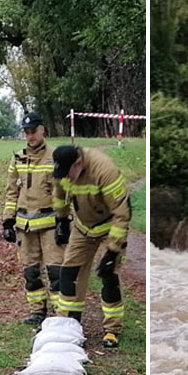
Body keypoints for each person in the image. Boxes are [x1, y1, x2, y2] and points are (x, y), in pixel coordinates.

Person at [50, 143, 130, 348]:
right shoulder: (64, 172)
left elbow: (122, 214)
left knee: (108, 276)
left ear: (78, 163)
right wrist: (61, 221)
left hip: (109, 226)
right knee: (69, 274)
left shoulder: (105, 170)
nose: (65, 178)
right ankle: (68, 323)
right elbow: (59, 196)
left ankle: (112, 329)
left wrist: (112, 251)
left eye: (68, 174)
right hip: (82, 226)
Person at [1, 113, 59, 324]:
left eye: (33, 131)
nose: (30, 136)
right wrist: (8, 221)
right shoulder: (17, 158)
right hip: (24, 226)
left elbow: (63, 193)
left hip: (50, 224)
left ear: (42, 130)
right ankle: (37, 311)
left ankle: (61, 313)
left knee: (56, 273)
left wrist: (65, 221)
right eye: (26, 132)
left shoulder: (55, 157)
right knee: (30, 272)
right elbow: (11, 193)